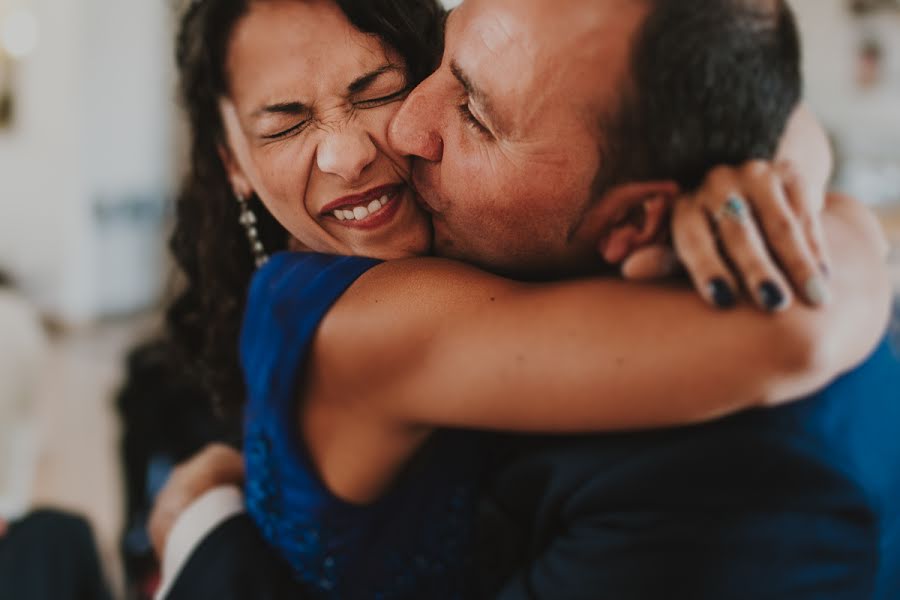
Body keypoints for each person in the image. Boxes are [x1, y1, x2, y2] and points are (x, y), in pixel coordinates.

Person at [156, 0, 898, 598]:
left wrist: (783, 165)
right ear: (234, 165)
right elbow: (791, 333)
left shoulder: (742, 478)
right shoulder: (376, 311)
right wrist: (847, 237)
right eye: (283, 122)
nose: (387, 138)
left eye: (380, 88)